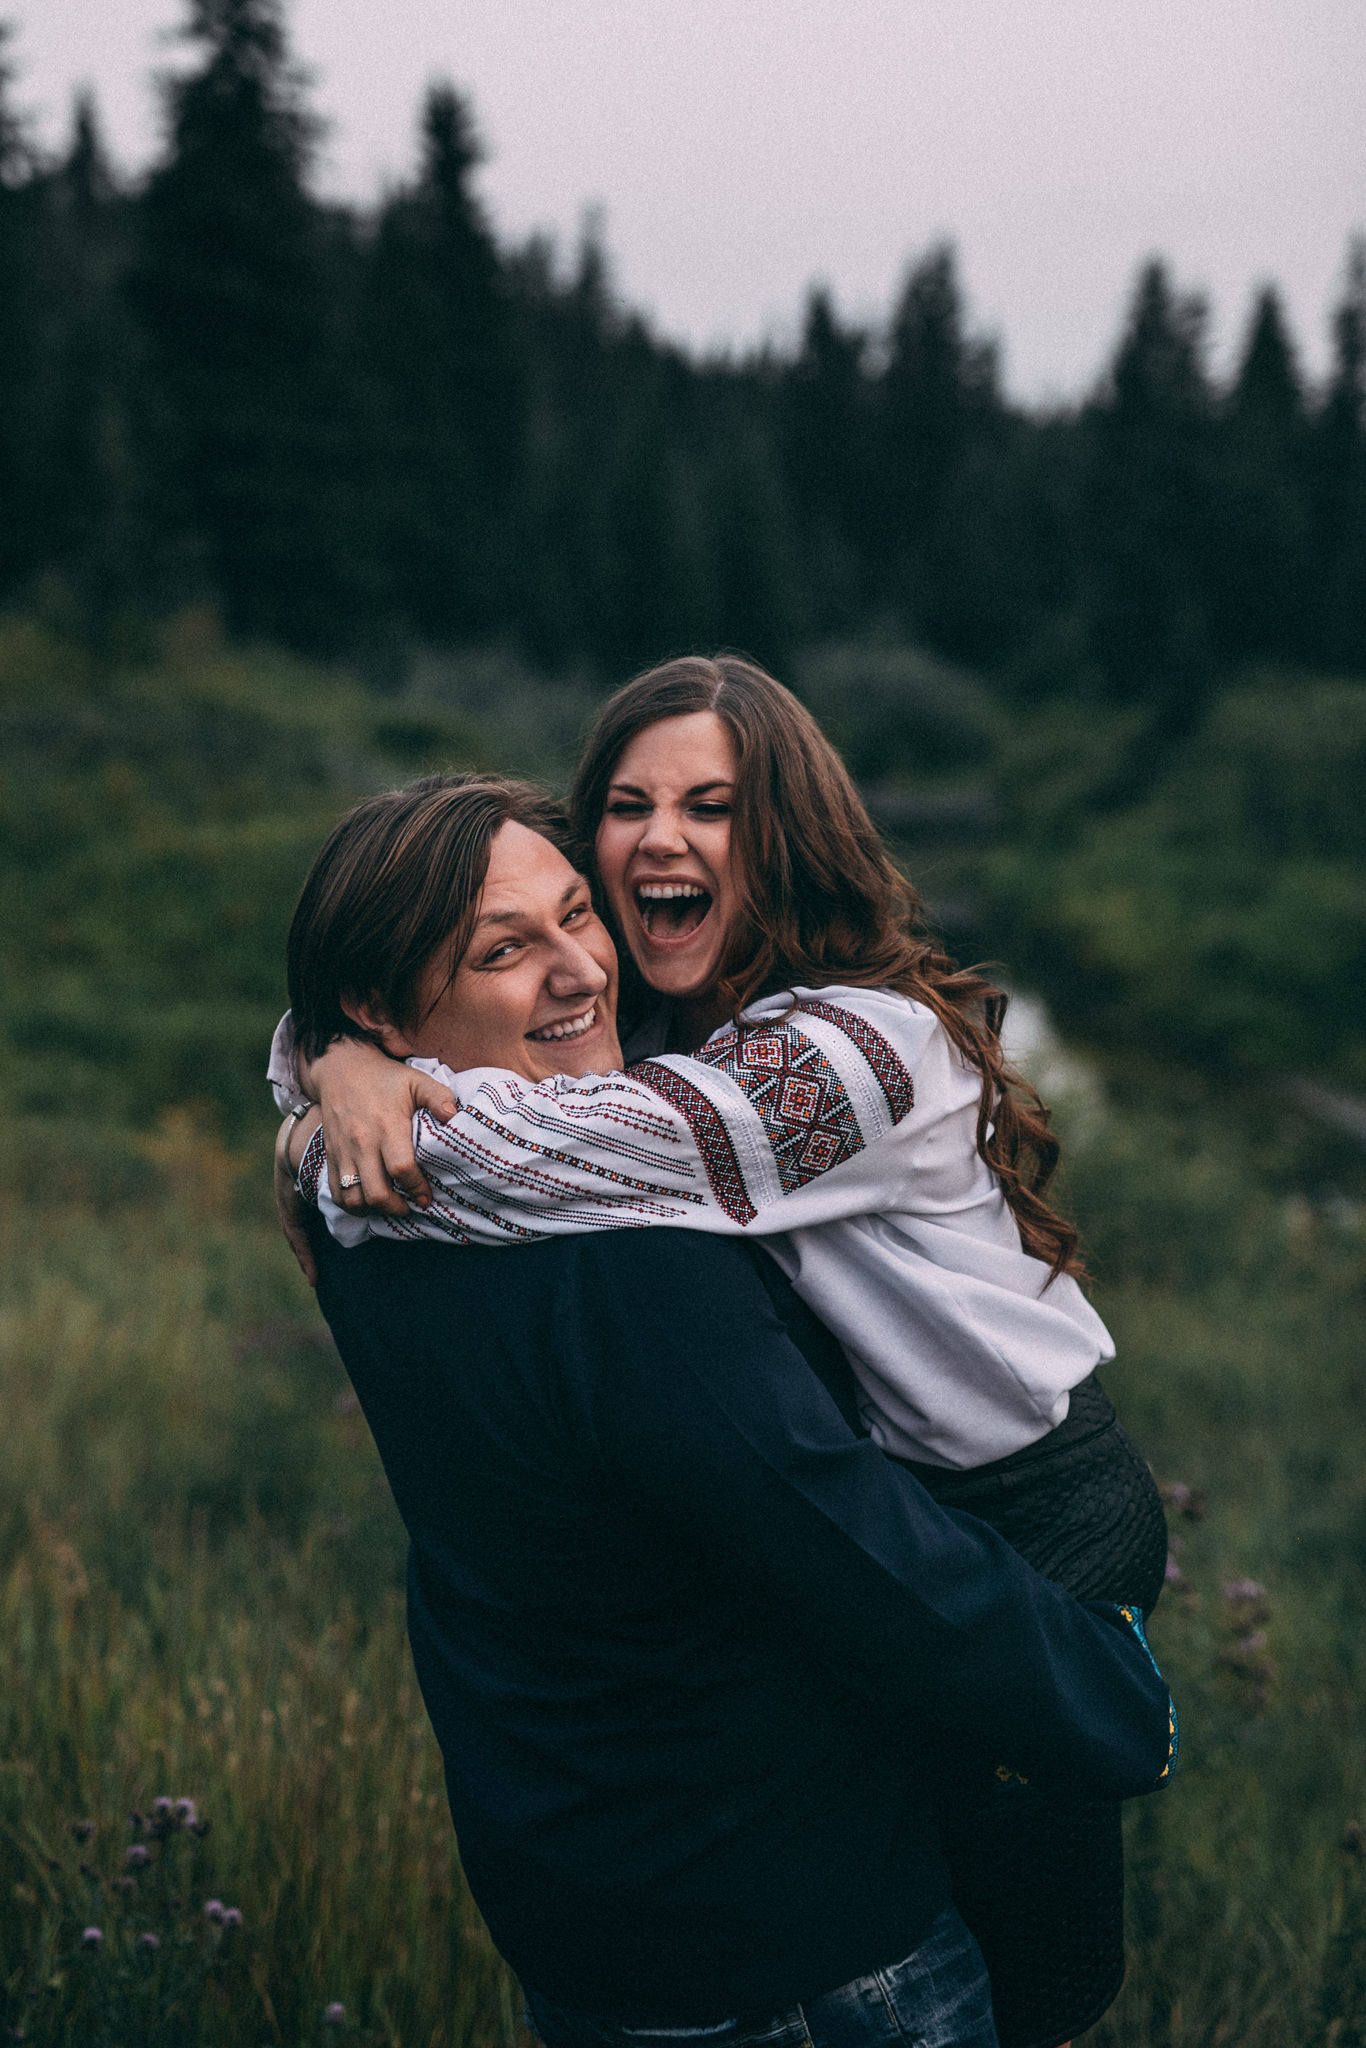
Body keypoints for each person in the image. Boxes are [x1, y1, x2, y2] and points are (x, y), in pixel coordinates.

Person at [277, 772, 1177, 2048]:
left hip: (573, 1886)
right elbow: (852, 1545)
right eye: (503, 948)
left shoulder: (358, 1195)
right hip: (789, 1934)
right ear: (379, 1004)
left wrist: (339, 1059)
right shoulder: (626, 1258)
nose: (580, 968)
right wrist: (1113, 1701)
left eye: (577, 915)